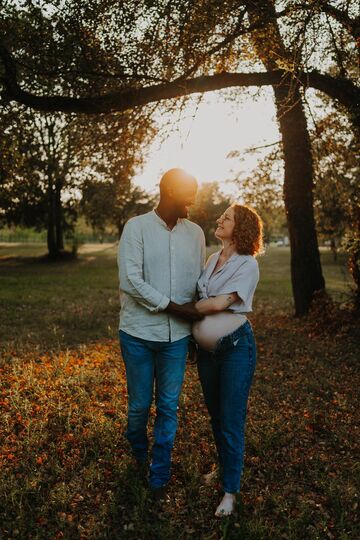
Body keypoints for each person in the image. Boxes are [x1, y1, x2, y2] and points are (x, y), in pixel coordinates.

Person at [117, 168, 205, 498]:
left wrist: (194, 330)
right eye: (188, 192)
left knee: (169, 406)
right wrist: (175, 308)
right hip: (138, 333)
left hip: (178, 339)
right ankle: (138, 449)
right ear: (168, 189)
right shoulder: (136, 227)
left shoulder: (195, 233)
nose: (193, 200)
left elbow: (197, 285)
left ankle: (160, 469)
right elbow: (131, 281)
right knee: (140, 406)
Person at [192, 204, 263, 517]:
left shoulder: (247, 265)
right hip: (208, 354)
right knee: (216, 417)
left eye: (227, 217)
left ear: (242, 227)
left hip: (236, 348)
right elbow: (207, 298)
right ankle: (223, 471)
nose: (219, 219)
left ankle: (230, 492)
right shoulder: (211, 260)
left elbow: (221, 302)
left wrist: (184, 308)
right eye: (220, 214)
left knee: (231, 420)